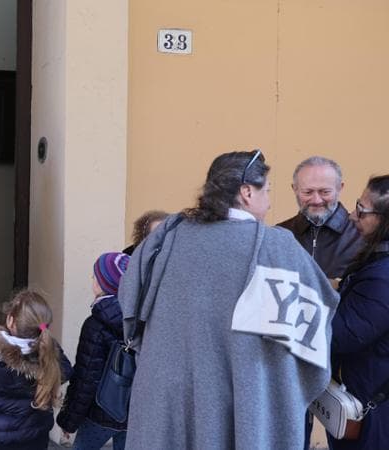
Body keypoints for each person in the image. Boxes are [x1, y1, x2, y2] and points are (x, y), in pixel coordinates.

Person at [119, 150, 340, 449]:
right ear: (247, 192)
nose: (270, 201)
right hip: (245, 397)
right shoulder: (277, 249)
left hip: (166, 398)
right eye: (268, 191)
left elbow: (130, 306)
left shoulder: (165, 240)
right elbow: (311, 337)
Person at [0, 290, 73, 450]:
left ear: (10, 320)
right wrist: (51, 346)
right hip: (36, 435)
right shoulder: (50, 356)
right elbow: (66, 370)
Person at [327, 174, 389, 450]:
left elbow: (341, 335)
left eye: (362, 211)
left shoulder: (383, 278)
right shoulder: (377, 262)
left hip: (373, 415)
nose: (352, 215)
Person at [57, 252, 131, 450]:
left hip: (101, 414)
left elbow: (86, 378)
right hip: (133, 414)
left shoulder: (95, 325)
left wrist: (69, 420)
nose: (92, 280)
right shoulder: (142, 319)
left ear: (104, 283)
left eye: (94, 276)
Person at [277, 156, 362, 279]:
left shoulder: (363, 235)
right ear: (294, 189)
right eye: (308, 192)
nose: (316, 200)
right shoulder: (280, 235)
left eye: (325, 192)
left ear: (340, 188)